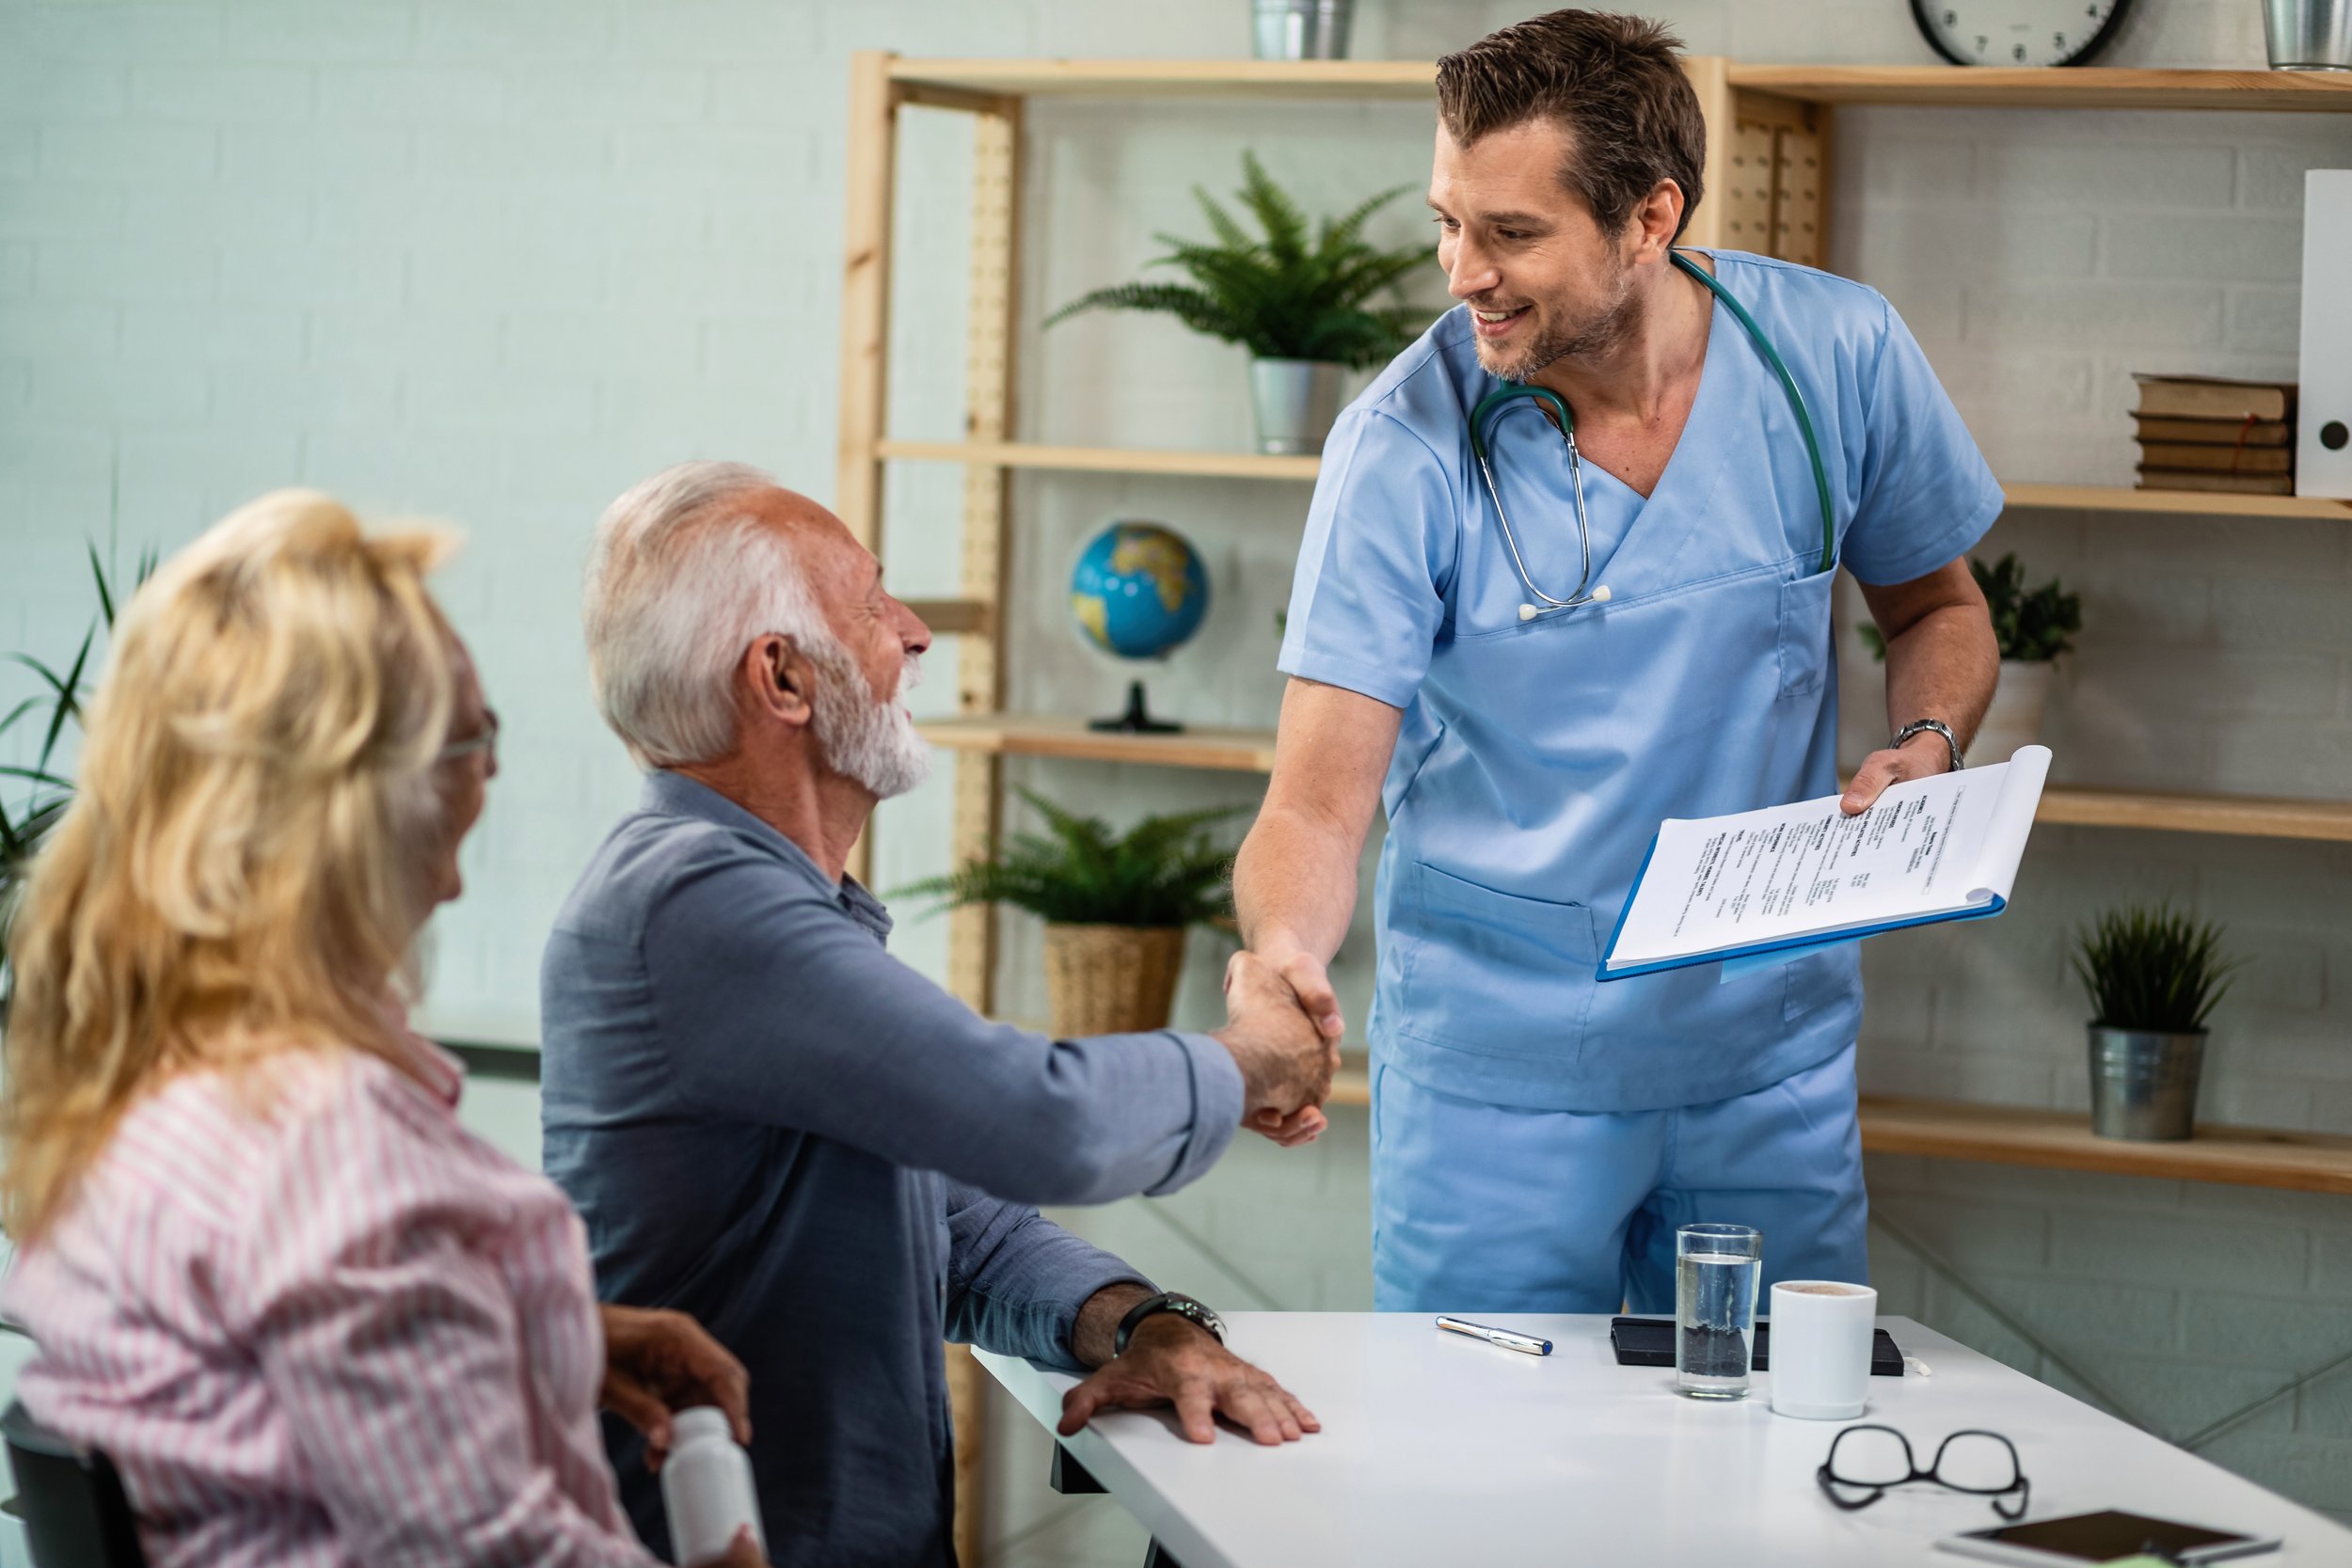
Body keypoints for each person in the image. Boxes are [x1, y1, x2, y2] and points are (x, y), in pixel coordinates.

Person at [1234, 11, 2003, 1315]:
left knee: (1771, 1483)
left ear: (1651, 217)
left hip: (1769, 1065)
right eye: (1447, 221)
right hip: (1504, 1089)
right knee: (1493, 1500)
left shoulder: (1835, 358)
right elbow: (1316, 798)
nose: (1460, 271)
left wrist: (1924, 740)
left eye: (1512, 233)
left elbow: (1939, 607)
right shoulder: (1403, 449)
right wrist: (1281, 961)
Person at [541, 461, 1331, 1568]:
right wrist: (1255, 1060)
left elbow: (951, 1222)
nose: (913, 633)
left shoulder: (760, 897)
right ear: (782, 677)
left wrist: (1141, 1325)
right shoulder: (692, 897)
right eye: (872, 603)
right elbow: (1035, 1118)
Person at [1, 490, 765, 1568]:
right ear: (351, 803)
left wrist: (523, 1333)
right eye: (469, 738)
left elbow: (254, 1375)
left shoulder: (140, 1076)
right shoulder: (335, 1152)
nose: (491, 772)